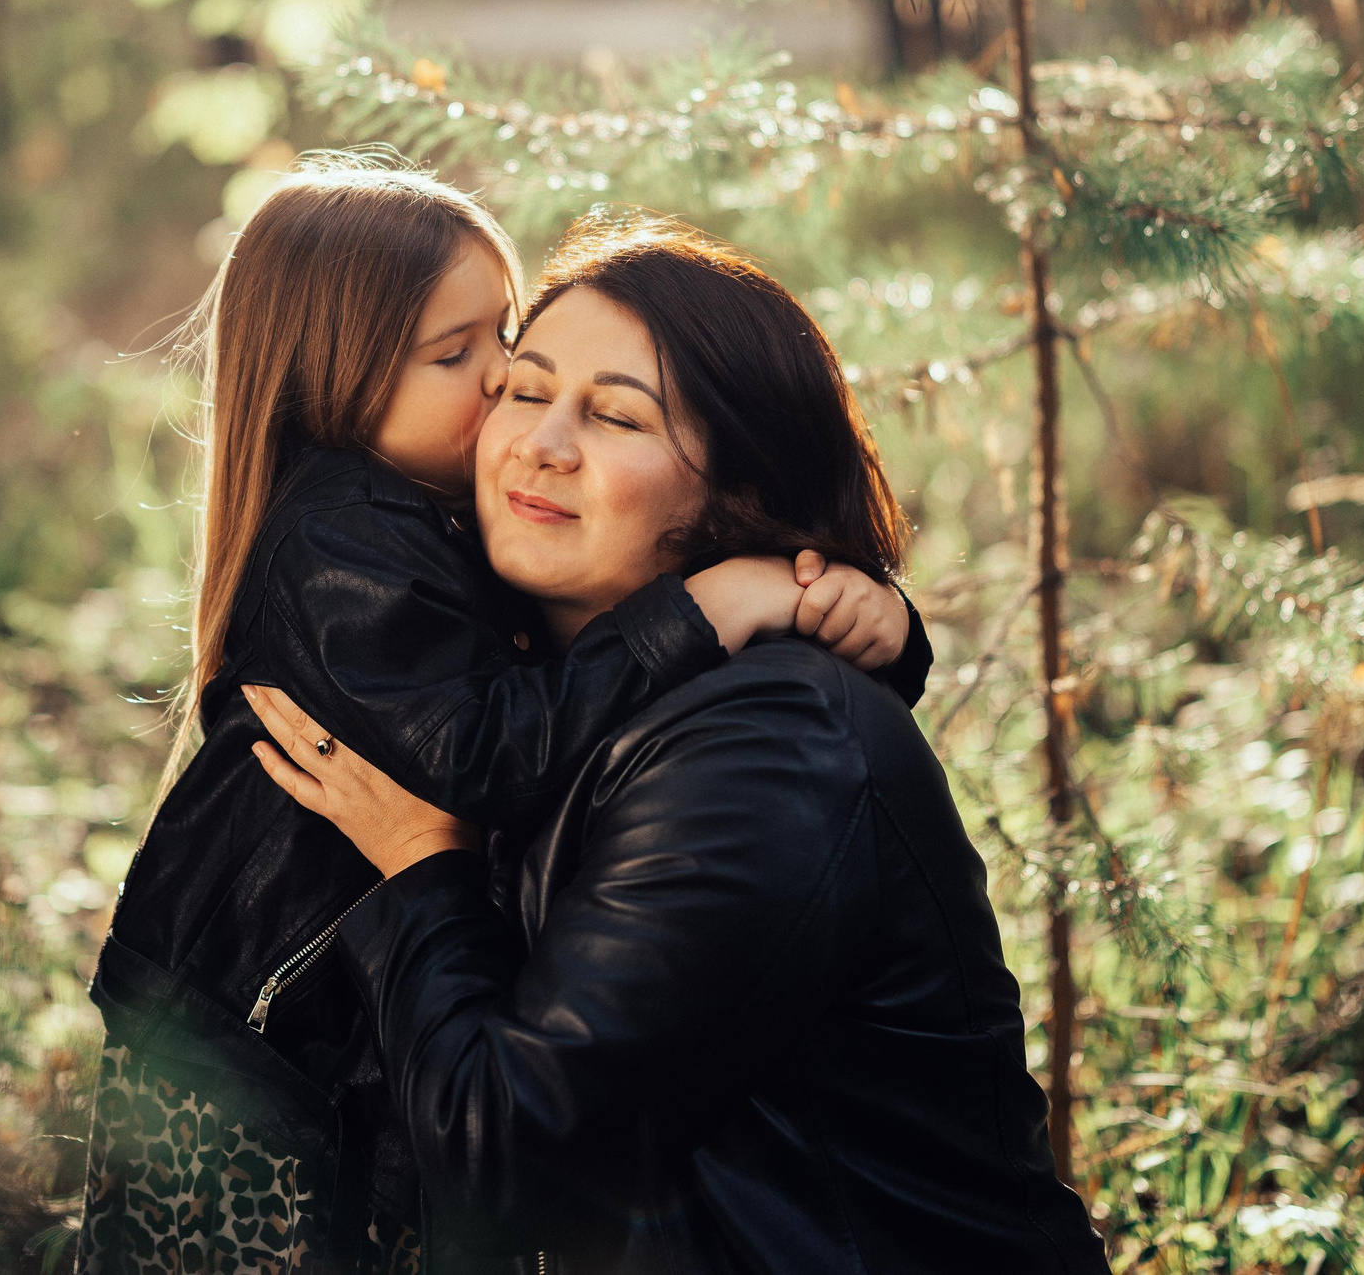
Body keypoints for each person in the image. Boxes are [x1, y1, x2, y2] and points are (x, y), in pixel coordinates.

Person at [76, 164, 927, 1275]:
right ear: (336, 377)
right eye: (463, 360)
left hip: (347, 1061)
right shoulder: (343, 543)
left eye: (507, 343)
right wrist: (710, 605)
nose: (504, 394)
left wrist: (863, 614)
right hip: (245, 1058)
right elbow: (491, 749)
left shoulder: (750, 725)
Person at [250, 213, 1112, 1274]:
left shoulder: (768, 748)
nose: (542, 443)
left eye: (616, 416)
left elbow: (510, 1160)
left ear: (738, 488)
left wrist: (426, 867)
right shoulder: (500, 685)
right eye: (524, 390)